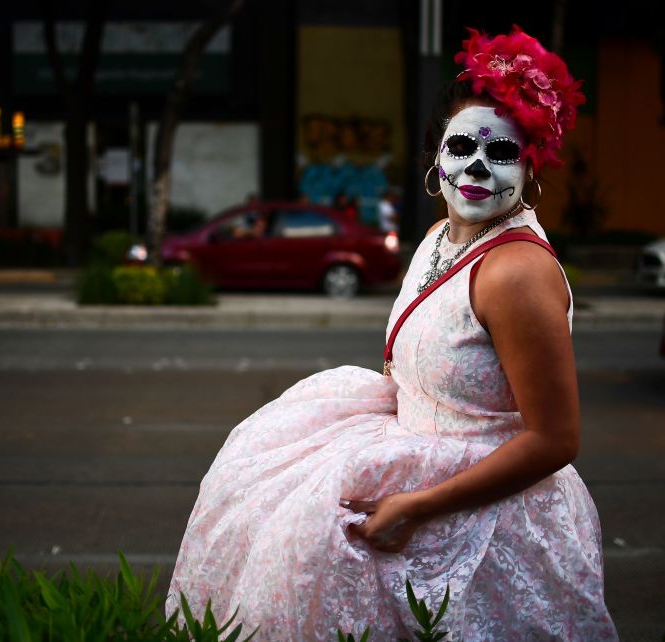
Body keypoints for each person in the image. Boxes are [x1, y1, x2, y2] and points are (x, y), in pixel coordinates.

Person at [167, 27, 617, 641]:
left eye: (504, 153)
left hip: (489, 521)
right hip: (411, 460)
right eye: (462, 145)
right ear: (437, 154)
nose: (478, 167)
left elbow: (555, 438)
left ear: (532, 165)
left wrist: (418, 505)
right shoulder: (440, 236)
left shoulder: (516, 274)